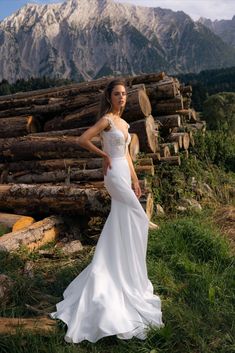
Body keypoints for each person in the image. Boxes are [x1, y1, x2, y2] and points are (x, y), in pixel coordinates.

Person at [50, 79, 164, 343]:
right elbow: (82, 139)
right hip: (112, 175)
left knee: (121, 219)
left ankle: (119, 266)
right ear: (109, 96)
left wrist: (136, 180)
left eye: (125, 94)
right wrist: (103, 156)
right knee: (137, 214)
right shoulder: (107, 120)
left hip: (124, 173)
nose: (122, 98)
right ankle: (142, 226)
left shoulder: (124, 124)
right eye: (117, 94)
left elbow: (126, 155)